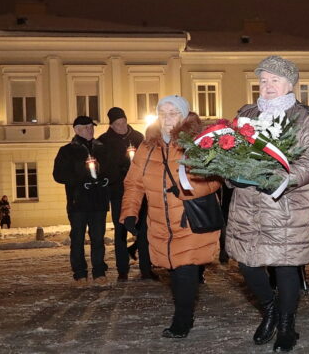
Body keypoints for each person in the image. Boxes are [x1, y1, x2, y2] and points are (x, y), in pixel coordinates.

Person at [225, 56, 309, 352]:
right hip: (248, 205)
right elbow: (228, 149)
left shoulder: (302, 117)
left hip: (285, 204)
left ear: (289, 84)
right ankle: (269, 308)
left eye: (275, 80)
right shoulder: (246, 113)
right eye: (264, 80)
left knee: (285, 265)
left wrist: (283, 178)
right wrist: (232, 174)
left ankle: (286, 325)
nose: (268, 86)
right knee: (247, 263)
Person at [120, 95, 221, 337]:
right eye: (162, 113)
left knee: (184, 268)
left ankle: (182, 320)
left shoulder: (198, 142)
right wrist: (130, 213)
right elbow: (134, 183)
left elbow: (216, 179)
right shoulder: (147, 146)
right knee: (173, 269)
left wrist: (187, 190)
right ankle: (184, 313)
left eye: (173, 113)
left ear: (185, 115)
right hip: (158, 221)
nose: (167, 118)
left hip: (188, 218)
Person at [53, 116, 111, 286]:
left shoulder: (101, 148)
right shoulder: (67, 151)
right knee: (77, 239)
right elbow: (59, 175)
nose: (90, 130)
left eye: (91, 127)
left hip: (98, 201)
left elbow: (111, 168)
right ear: (77, 130)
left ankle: (99, 272)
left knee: (98, 238)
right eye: (86, 127)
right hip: (78, 202)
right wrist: (80, 181)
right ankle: (80, 274)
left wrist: (106, 179)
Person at [97, 107, 152, 281]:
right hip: (117, 192)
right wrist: (119, 170)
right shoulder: (103, 142)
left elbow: (147, 161)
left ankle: (146, 268)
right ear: (111, 125)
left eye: (122, 122)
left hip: (140, 191)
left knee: (143, 230)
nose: (121, 126)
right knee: (120, 230)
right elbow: (102, 168)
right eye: (116, 124)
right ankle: (122, 269)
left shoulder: (138, 138)